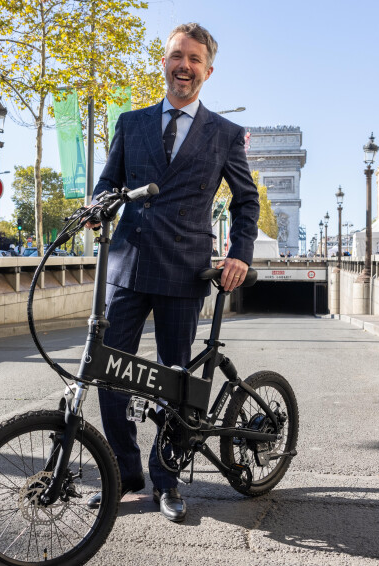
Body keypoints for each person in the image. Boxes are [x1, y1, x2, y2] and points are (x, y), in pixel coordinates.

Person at [89, 22, 259, 524]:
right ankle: (123, 473)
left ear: (208, 70)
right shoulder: (130, 122)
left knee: (174, 381)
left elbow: (246, 201)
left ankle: (166, 480)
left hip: (185, 272)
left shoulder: (225, 134)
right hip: (128, 264)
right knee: (107, 373)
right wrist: (97, 208)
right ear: (164, 62)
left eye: (193, 59)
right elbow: (107, 184)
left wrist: (239, 253)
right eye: (175, 56)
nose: (183, 66)